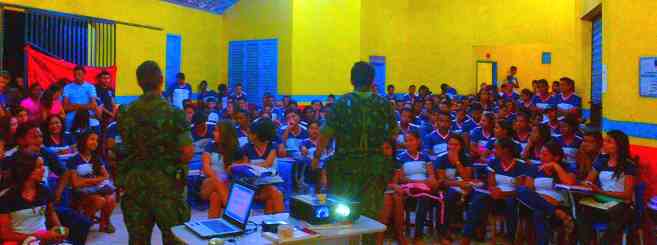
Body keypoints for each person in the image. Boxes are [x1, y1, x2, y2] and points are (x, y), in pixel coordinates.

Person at [312, 61, 398, 244]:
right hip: (374, 168)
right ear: (372, 80)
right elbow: (393, 133)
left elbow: (325, 134)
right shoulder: (384, 104)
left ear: (351, 79)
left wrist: (317, 158)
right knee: (370, 218)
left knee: (346, 213)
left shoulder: (341, 103)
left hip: (346, 169)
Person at [117, 61, 194, 244]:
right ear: (161, 81)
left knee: (138, 240)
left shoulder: (125, 112)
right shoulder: (175, 113)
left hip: (135, 186)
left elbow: (121, 148)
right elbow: (187, 152)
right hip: (167, 188)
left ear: (139, 83)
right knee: (175, 238)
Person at [461, 138, 527, 245]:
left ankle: (511, 238)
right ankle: (466, 236)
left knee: (510, 202)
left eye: (496, 148)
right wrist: (495, 192)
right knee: (477, 200)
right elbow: (491, 184)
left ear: (505, 150)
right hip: (496, 196)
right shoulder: (493, 162)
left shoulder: (520, 165)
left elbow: (520, 190)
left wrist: (504, 194)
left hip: (513, 197)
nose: (493, 151)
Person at [577, 130, 637, 245]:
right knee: (583, 212)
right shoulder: (601, 162)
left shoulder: (628, 165)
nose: (605, 144)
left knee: (617, 214)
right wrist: (583, 185)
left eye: (609, 142)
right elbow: (588, 182)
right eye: (604, 141)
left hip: (622, 204)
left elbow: (627, 195)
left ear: (619, 145)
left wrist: (601, 192)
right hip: (602, 203)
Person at [516, 141, 576, 245]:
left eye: (545, 154)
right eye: (540, 153)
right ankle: (556, 212)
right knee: (521, 190)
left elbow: (570, 183)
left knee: (539, 213)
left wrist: (555, 166)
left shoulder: (567, 167)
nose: (540, 157)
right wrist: (543, 198)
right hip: (539, 202)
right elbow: (529, 190)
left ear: (556, 157)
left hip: (559, 203)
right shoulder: (535, 168)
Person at [0, 153, 68, 244]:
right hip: (19, 241)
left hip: (43, 239)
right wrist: (36, 236)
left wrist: (61, 231)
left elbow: (51, 213)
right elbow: (5, 234)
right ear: (27, 170)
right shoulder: (6, 197)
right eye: (39, 167)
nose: (44, 169)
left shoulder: (44, 190)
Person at [419, 134, 474, 244]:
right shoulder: (441, 158)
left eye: (456, 144)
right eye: (450, 144)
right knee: (447, 197)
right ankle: (443, 231)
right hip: (445, 189)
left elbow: (467, 178)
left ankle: (468, 230)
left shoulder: (466, 158)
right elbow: (442, 181)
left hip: (462, 189)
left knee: (472, 196)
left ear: (461, 146)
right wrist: (459, 183)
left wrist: (457, 162)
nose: (452, 147)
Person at [66, 131, 116, 233]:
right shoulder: (74, 159)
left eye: (96, 140)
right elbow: (76, 183)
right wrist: (96, 180)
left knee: (110, 199)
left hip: (95, 189)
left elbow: (106, 176)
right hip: (80, 192)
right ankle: (82, 222)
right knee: (99, 200)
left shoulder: (96, 158)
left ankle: (104, 223)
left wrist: (86, 180)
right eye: (92, 139)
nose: (95, 142)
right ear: (84, 141)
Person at [394, 131, 436, 244]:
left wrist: (430, 180)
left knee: (425, 198)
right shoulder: (400, 158)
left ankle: (418, 235)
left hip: (425, 188)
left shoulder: (425, 156)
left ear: (418, 141)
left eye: (411, 140)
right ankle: (416, 236)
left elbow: (431, 175)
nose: (408, 143)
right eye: (406, 141)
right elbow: (401, 179)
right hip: (409, 188)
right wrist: (418, 182)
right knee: (422, 197)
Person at [237, 118, 285, 214]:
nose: (247, 135)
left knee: (273, 196)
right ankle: (281, 224)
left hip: (271, 182)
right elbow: (244, 168)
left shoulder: (272, 147)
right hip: (254, 185)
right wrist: (249, 166)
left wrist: (250, 165)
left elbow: (268, 164)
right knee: (275, 193)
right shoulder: (246, 148)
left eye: (249, 133)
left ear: (256, 135)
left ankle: (274, 224)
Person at [200, 120, 242, 218]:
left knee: (216, 196)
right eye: (214, 130)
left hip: (227, 185)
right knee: (217, 181)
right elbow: (206, 168)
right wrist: (218, 178)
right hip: (208, 184)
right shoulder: (210, 146)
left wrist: (232, 169)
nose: (214, 133)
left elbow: (238, 173)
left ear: (226, 134)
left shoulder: (236, 150)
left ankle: (212, 229)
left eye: (217, 131)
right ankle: (235, 215)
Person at [376, 139, 407, 245]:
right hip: (375, 190)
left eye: (388, 148)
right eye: (382, 149)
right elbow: (376, 184)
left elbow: (395, 182)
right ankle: (380, 236)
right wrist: (393, 186)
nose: (385, 151)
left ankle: (399, 233)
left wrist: (393, 186)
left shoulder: (396, 163)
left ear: (393, 149)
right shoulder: (374, 163)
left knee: (396, 197)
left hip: (390, 190)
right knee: (387, 197)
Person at [63, 66, 98, 131]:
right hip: (71, 118)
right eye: (75, 75)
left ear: (84, 75)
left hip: (87, 116)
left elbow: (93, 105)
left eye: (79, 74)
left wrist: (76, 106)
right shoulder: (67, 87)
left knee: (95, 125)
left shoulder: (90, 87)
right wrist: (86, 106)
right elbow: (65, 107)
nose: (77, 77)